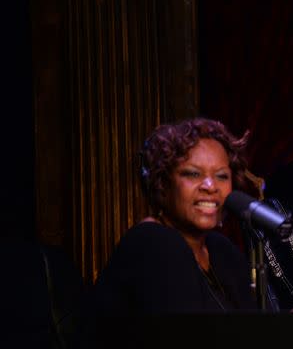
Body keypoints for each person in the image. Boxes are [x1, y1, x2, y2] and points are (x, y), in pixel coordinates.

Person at [93, 117, 256, 314]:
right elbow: (189, 339)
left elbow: (252, 330)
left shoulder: (221, 250)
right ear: (163, 183)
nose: (210, 187)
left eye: (221, 176)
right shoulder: (152, 243)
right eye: (193, 174)